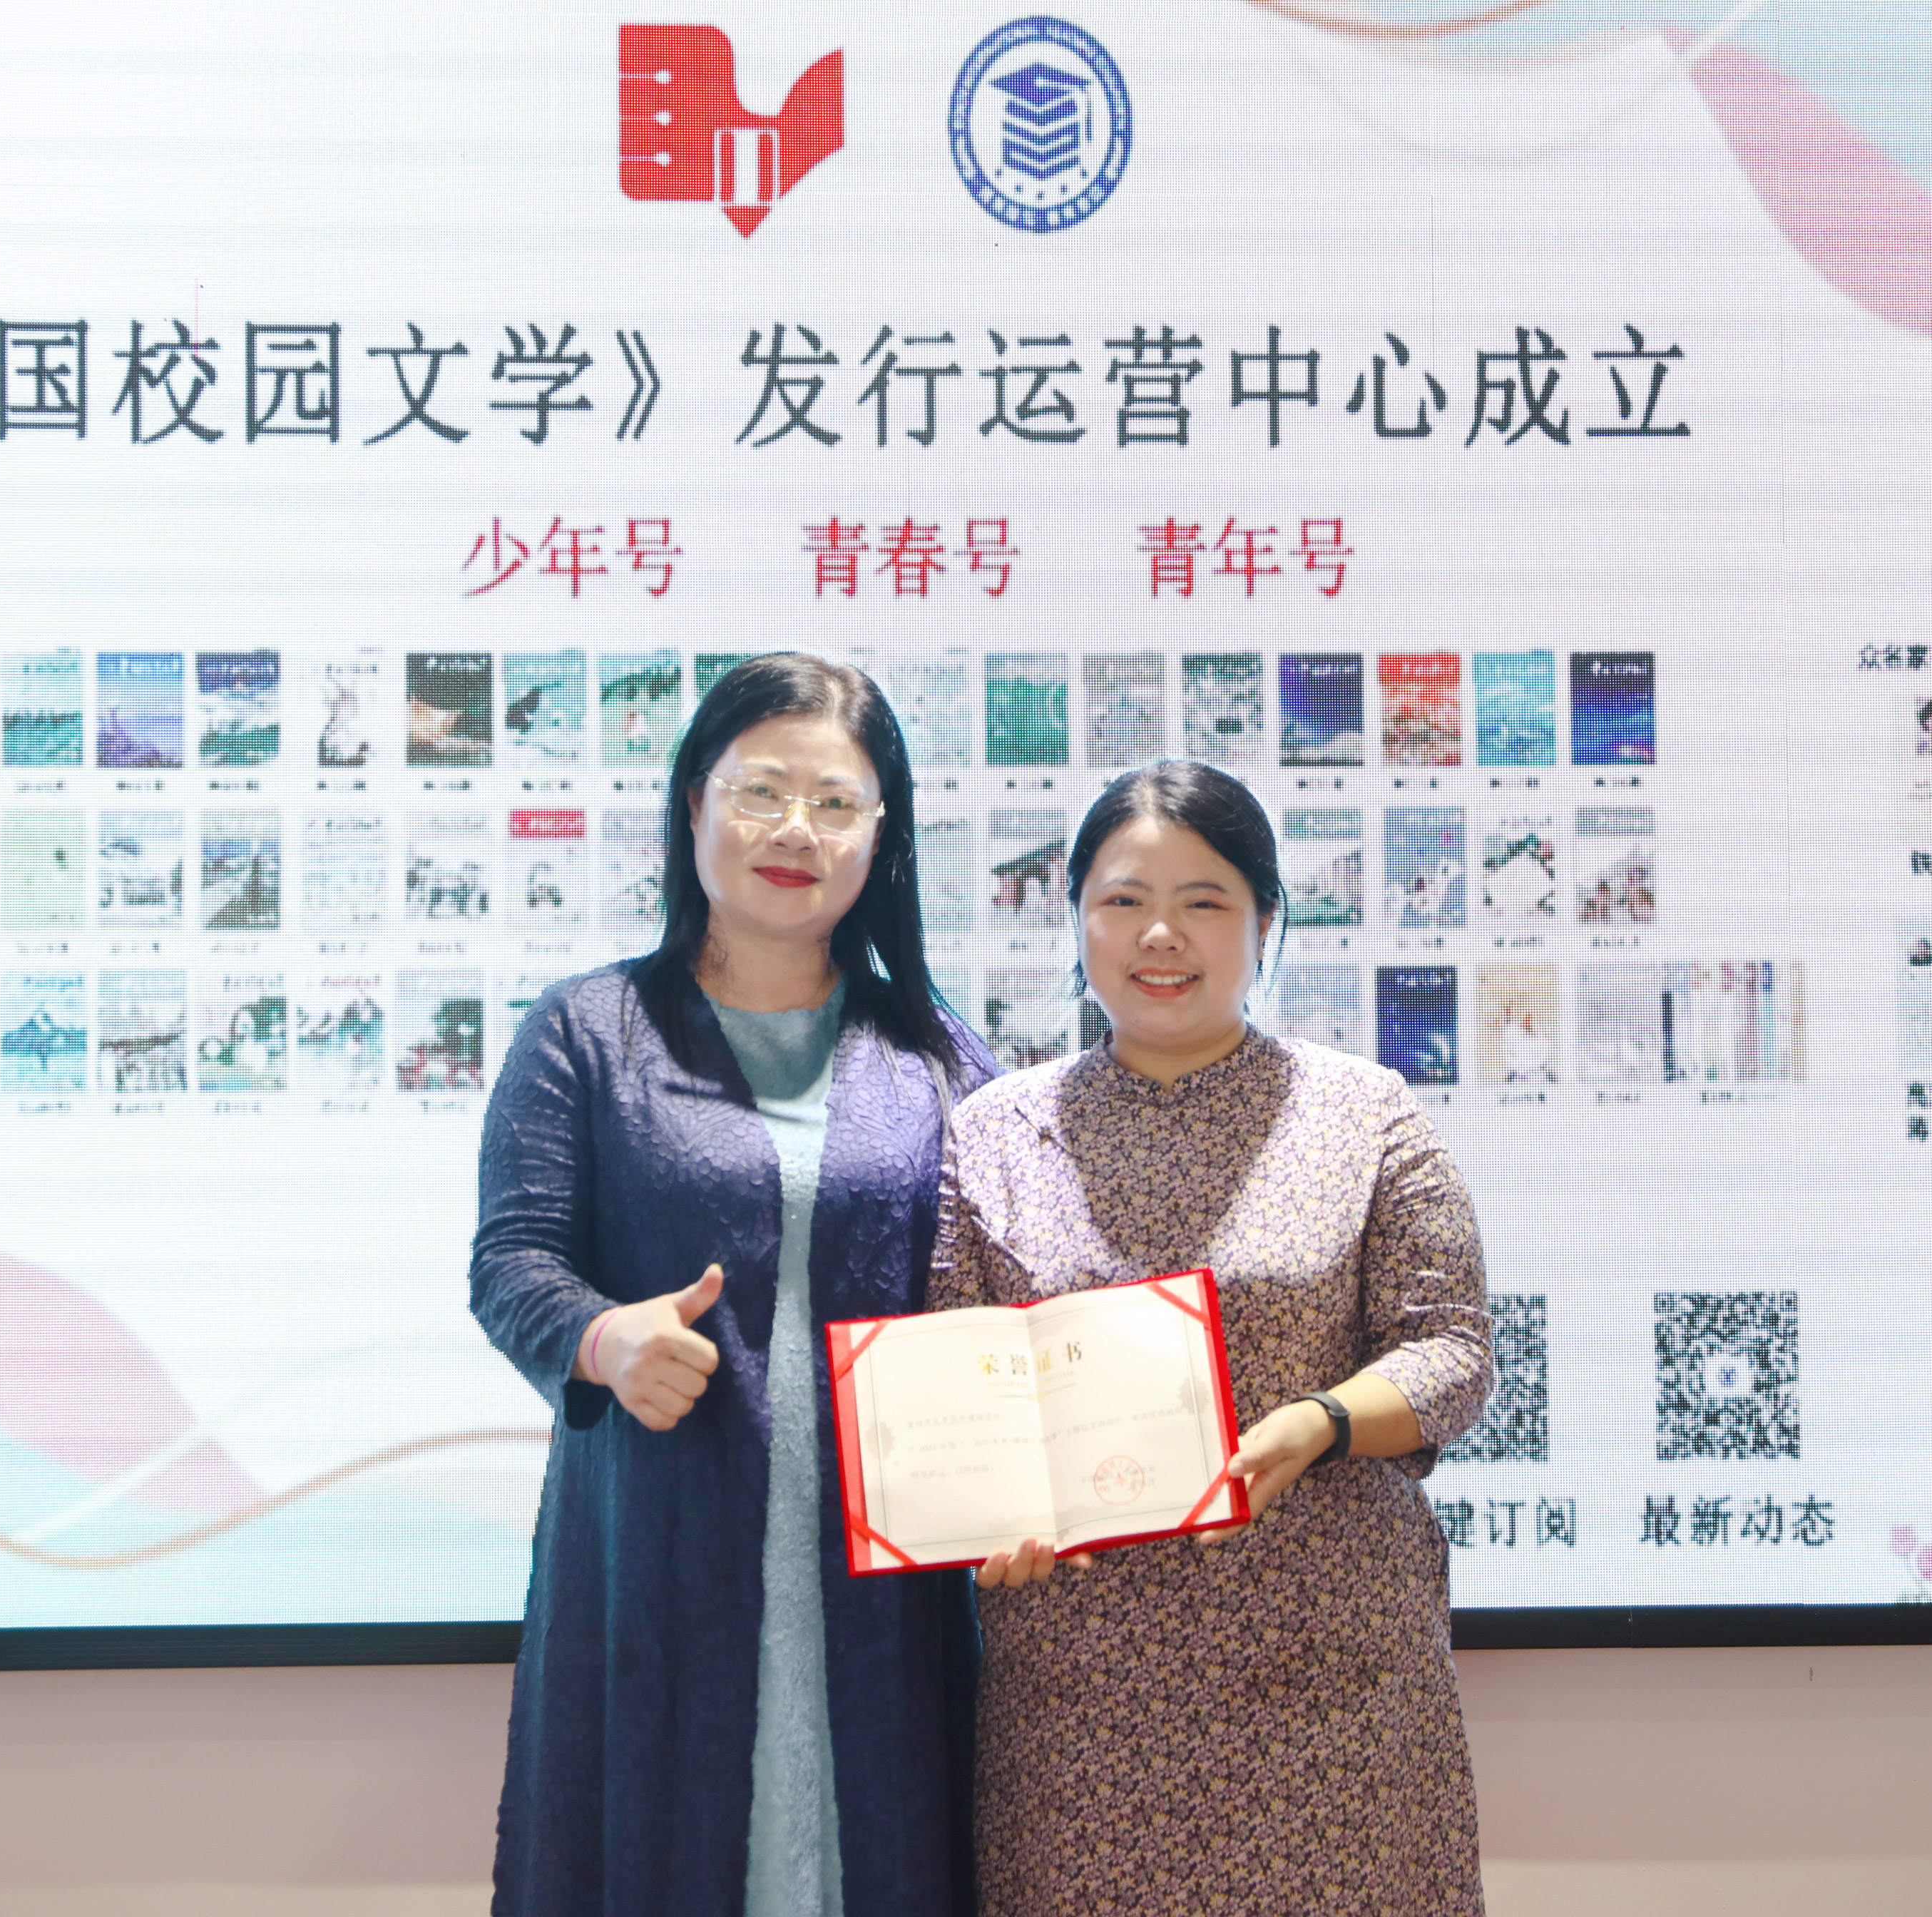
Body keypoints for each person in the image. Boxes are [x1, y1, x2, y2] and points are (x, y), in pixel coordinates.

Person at [471, 654, 999, 1917]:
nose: (795, 832)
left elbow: (1002, 1297)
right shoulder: (587, 1032)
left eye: (836, 803)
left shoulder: (937, 1055)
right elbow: (512, 1260)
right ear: (695, 802)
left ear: (883, 836)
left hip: (890, 1585)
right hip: (658, 1562)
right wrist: (602, 1339)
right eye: (762, 791)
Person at [931, 760, 1494, 1915]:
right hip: (1083, 1700)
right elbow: (956, 1380)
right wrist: (988, 1510)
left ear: (1265, 921)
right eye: (1124, 900)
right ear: (1075, 917)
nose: (1161, 935)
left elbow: (1452, 1350)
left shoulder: (1365, 1111)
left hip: (1330, 1678)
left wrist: (1321, 1423)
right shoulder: (993, 1132)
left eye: (1204, 901)